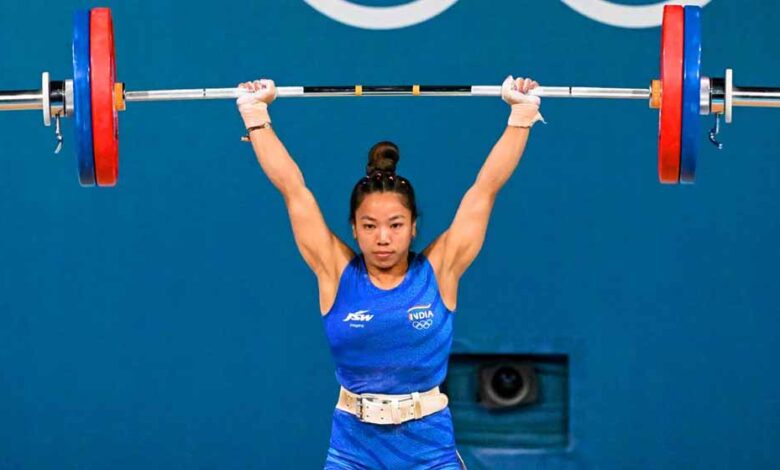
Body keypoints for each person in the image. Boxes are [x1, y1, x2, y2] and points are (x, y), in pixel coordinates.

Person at [236, 76, 543, 470]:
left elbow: (485, 189)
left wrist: (521, 115)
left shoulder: (440, 269)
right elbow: (293, 189)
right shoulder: (335, 270)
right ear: (354, 228)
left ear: (413, 226)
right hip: (353, 451)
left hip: (429, 451)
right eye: (370, 226)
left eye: (395, 225)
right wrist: (256, 114)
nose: (382, 238)